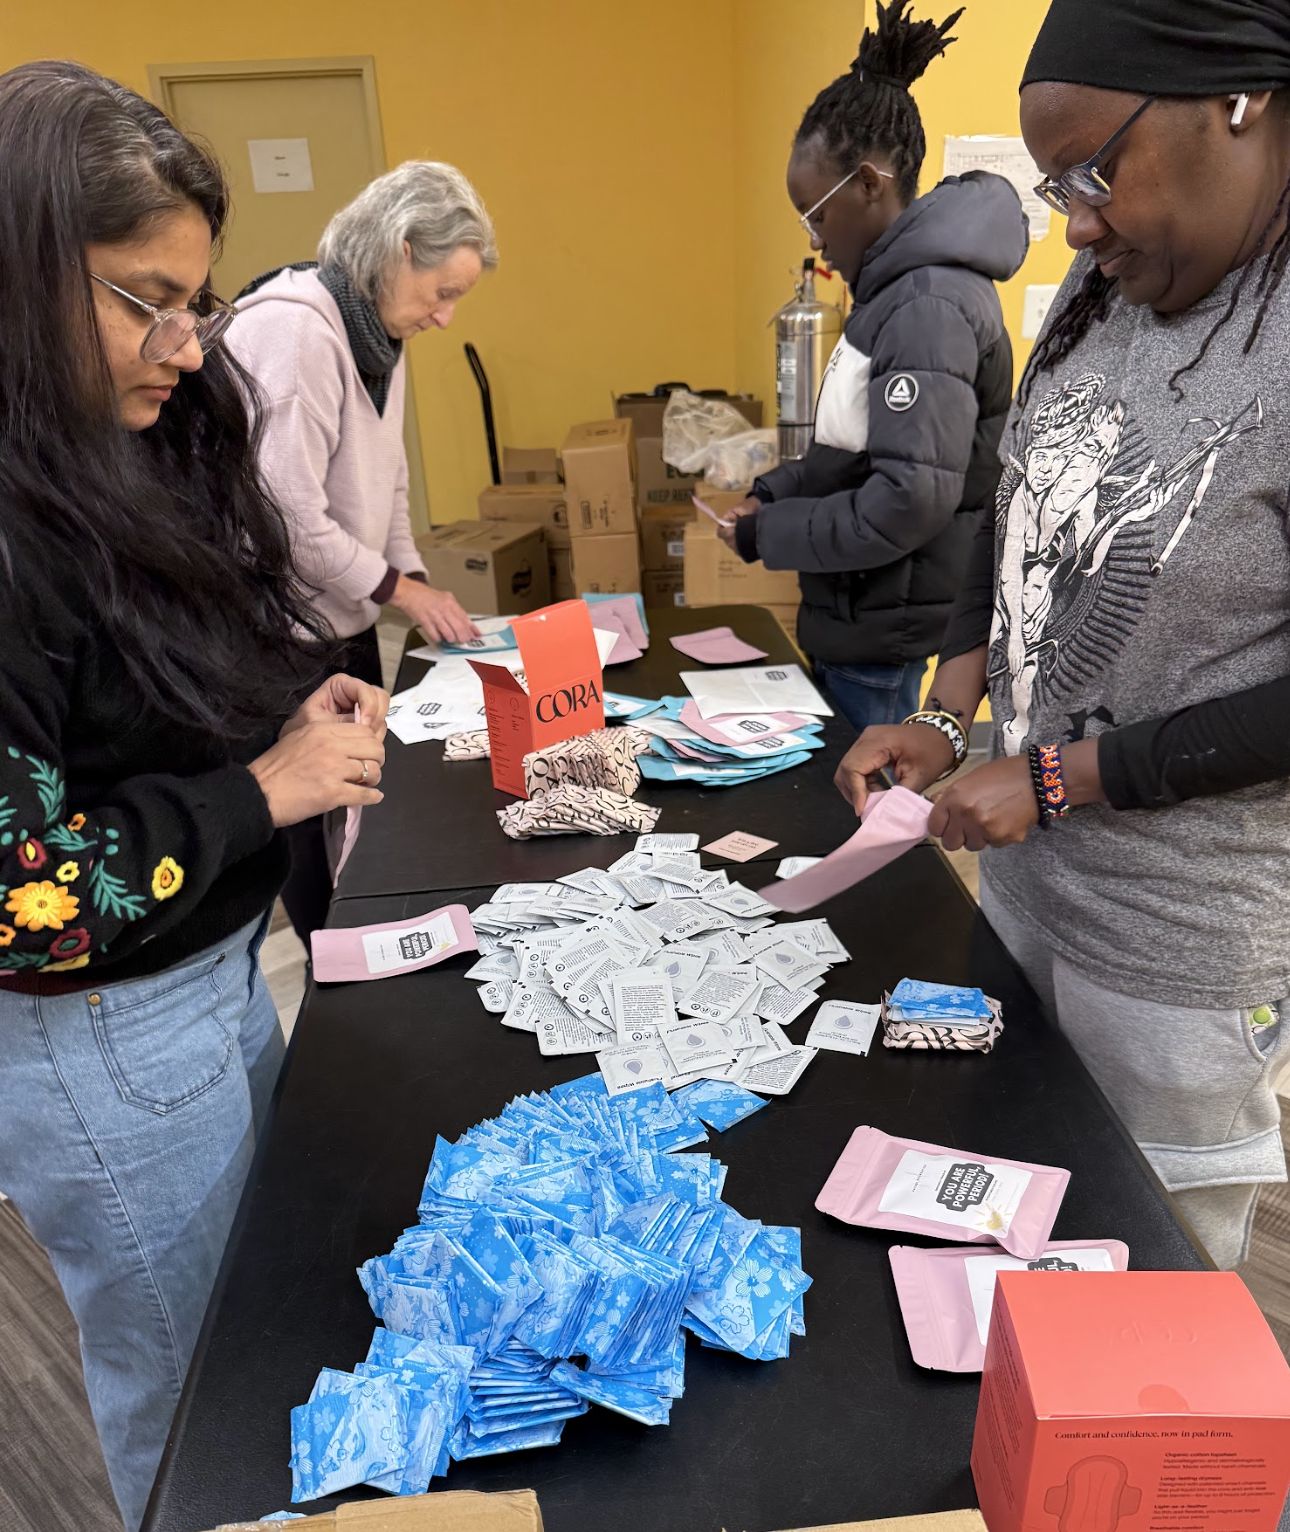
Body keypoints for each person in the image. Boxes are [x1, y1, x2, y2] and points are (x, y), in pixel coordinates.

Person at [835, 0, 1290, 1270]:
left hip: (1180, 947)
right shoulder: (1103, 283)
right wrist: (942, 712)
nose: (1075, 223)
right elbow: (1014, 508)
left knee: (1152, 1315)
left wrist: (1054, 777)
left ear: (1239, 102)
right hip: (1033, 887)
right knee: (1025, 1243)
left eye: (1097, 174)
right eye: (1054, 187)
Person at [0, 61, 389, 1529]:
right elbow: (23, 902)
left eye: (198, 299)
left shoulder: (112, 438)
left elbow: (143, 683)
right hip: (98, 1028)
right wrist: (264, 787)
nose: (182, 343)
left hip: (201, 975)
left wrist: (279, 704)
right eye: (140, 299)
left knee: (256, 1338)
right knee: (189, 1408)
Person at [718, 0, 1028, 733]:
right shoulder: (890, 296)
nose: (815, 240)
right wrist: (775, 492)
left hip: (881, 625)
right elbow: (856, 452)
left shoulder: (928, 305)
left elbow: (908, 499)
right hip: (856, 608)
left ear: (868, 182)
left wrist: (776, 534)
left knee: (869, 824)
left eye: (816, 216)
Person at [228, 162, 498, 942]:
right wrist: (401, 594)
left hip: (338, 627)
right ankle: (330, 972)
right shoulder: (295, 328)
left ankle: (363, 949)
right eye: (443, 292)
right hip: (275, 637)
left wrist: (409, 572)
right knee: (310, 843)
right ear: (399, 250)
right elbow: (284, 517)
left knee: (362, 808)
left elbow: (390, 478)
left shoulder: (381, 330)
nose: (447, 318)